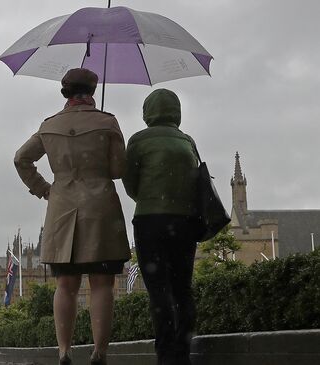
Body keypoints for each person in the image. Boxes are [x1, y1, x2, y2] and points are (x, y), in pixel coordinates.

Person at [14, 68, 130, 365]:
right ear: (92, 91)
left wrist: (43, 189)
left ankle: (64, 351)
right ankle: (99, 352)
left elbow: (21, 159)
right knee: (102, 284)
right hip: (100, 210)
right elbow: (119, 170)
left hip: (62, 208)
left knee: (66, 285)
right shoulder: (107, 122)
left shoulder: (49, 126)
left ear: (65, 93)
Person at [122, 89, 201, 365]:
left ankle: (166, 354)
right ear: (176, 112)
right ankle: (183, 351)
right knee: (183, 288)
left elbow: (130, 183)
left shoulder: (138, 141)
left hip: (150, 221)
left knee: (159, 290)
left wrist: (149, 197)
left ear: (148, 112)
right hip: (185, 222)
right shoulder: (187, 141)